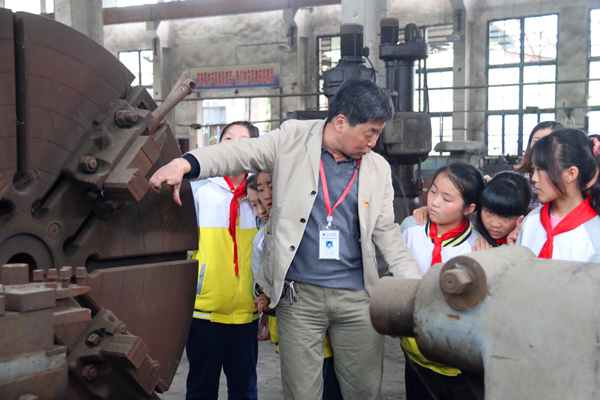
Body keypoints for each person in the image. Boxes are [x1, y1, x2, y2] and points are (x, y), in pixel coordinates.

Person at [149, 77, 423, 400]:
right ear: (340, 122)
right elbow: (239, 152)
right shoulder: (291, 140)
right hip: (299, 298)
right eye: (370, 132)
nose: (374, 142)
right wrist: (186, 163)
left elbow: (387, 232)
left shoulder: (377, 168)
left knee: (364, 391)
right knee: (301, 393)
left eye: (378, 133)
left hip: (357, 299)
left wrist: (418, 288)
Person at [185, 120, 261, 400]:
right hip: (204, 311)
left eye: (243, 140)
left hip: (247, 312)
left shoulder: (260, 194)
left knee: (244, 388)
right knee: (201, 388)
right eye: (228, 138)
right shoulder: (198, 190)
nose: (234, 145)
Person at [400, 161, 484, 400]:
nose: (434, 202)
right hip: (414, 352)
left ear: (469, 208)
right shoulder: (411, 228)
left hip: (456, 360)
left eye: (447, 199)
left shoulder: (476, 247)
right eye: (433, 191)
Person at [517, 129, 600, 262]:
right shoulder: (531, 221)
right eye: (534, 169)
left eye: (541, 169)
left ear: (570, 174)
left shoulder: (595, 233)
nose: (534, 178)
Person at [473, 171, 531, 249]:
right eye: (489, 212)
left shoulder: (529, 243)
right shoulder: (470, 237)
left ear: (523, 216)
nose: (495, 224)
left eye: (506, 217)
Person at [514, 121, 563, 209]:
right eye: (536, 141)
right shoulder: (519, 178)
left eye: (546, 141)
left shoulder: (564, 177)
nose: (540, 146)